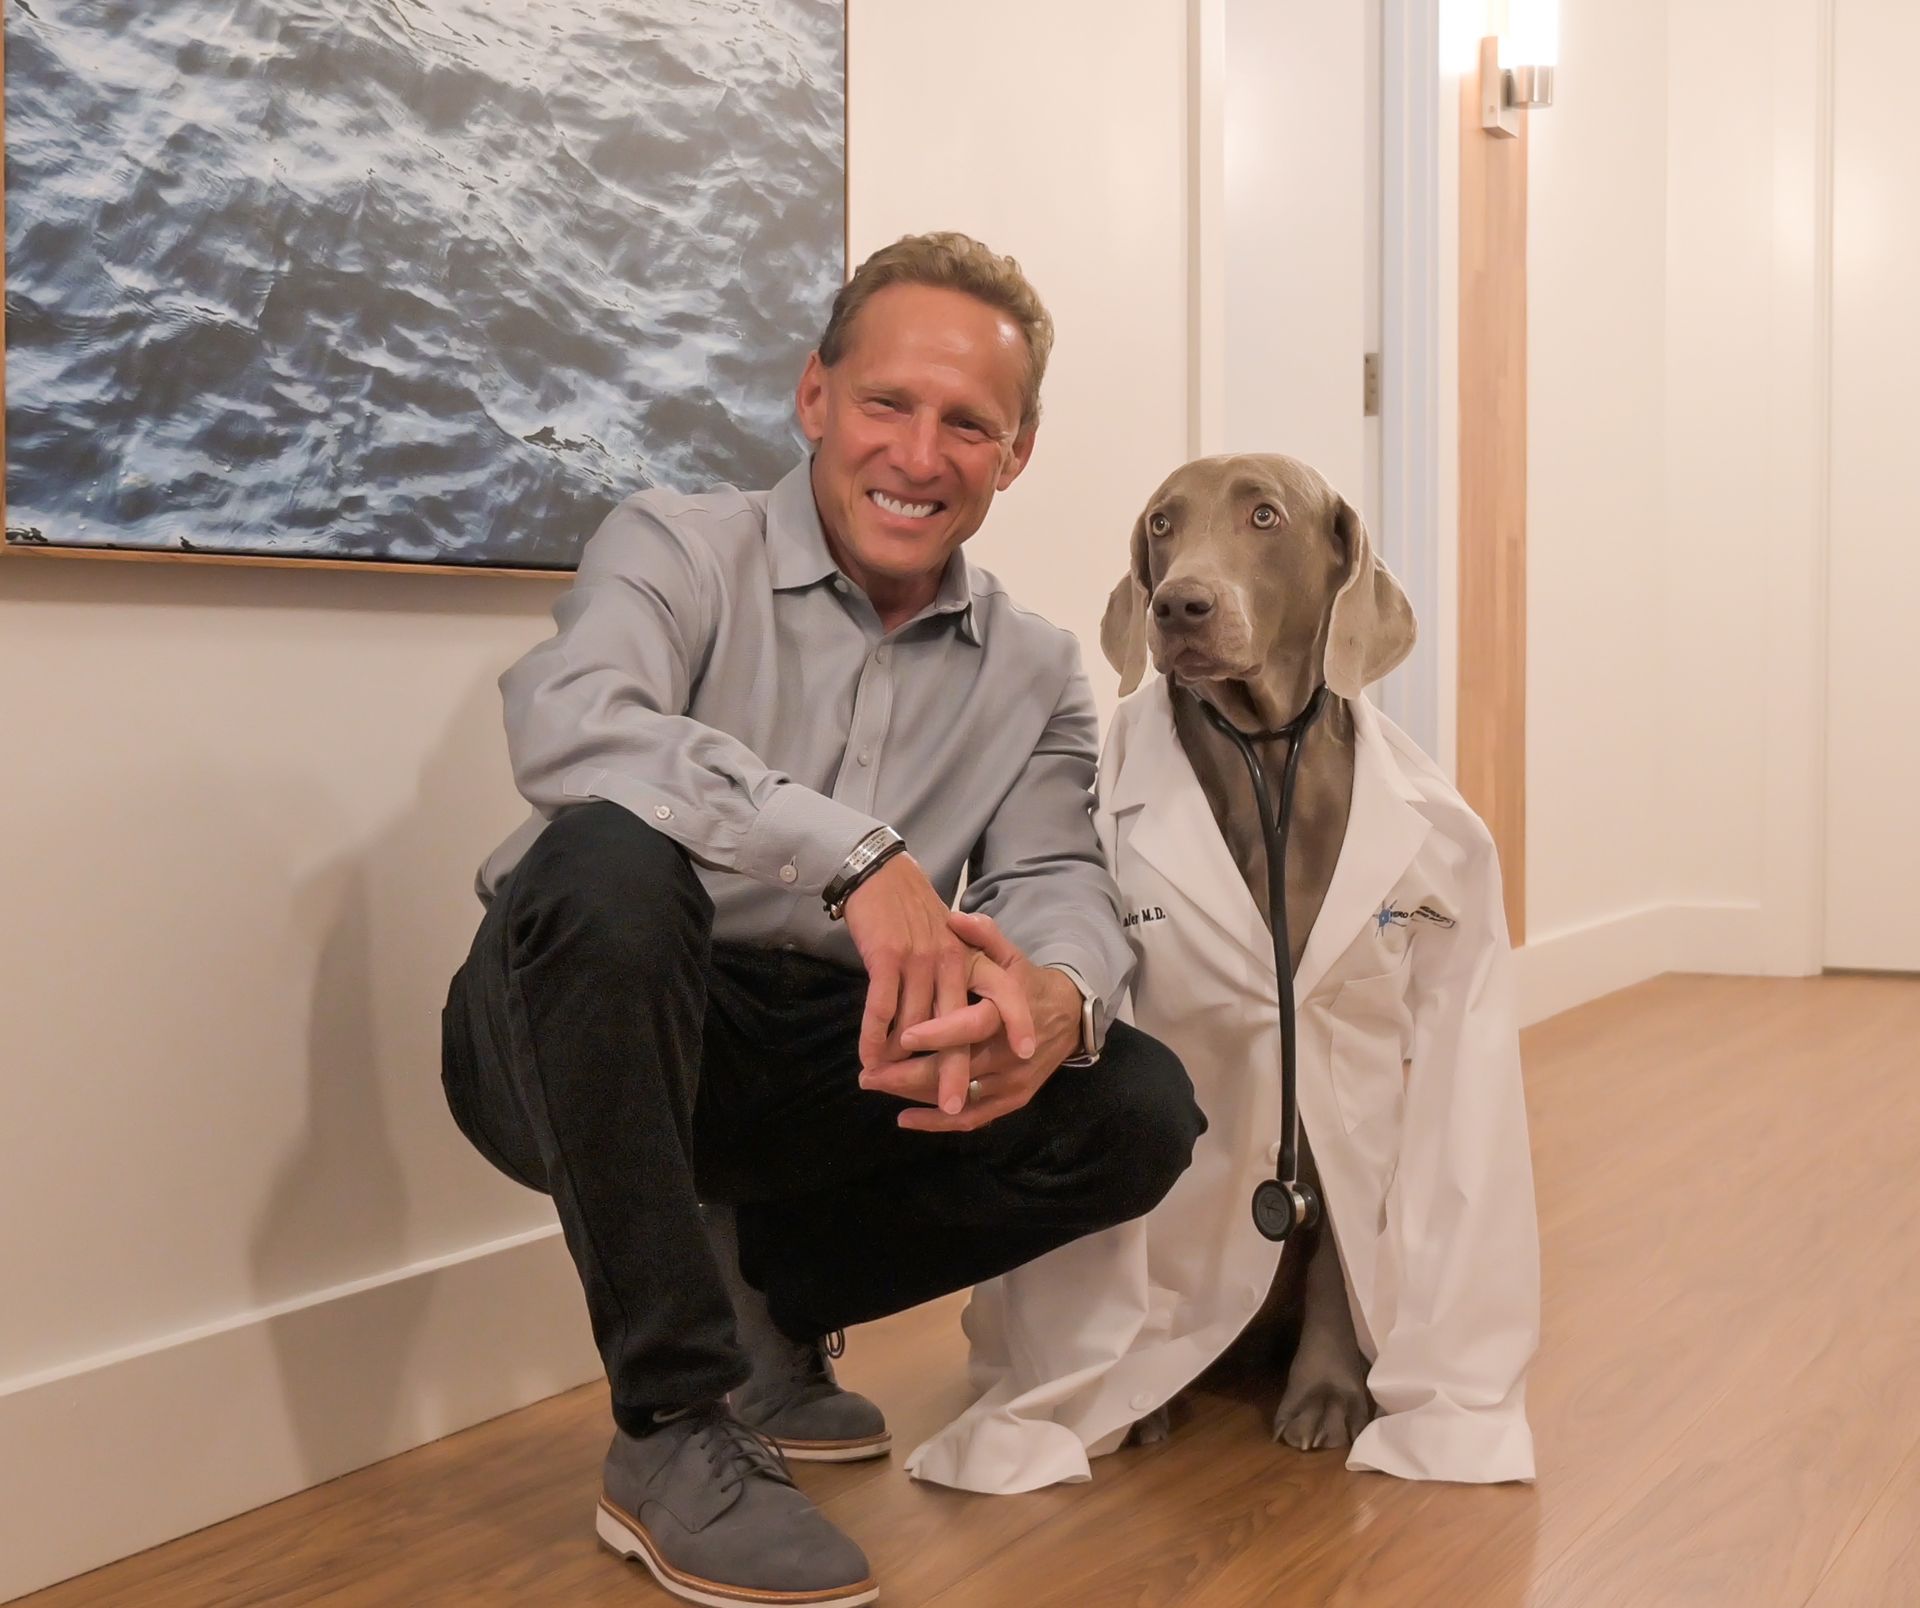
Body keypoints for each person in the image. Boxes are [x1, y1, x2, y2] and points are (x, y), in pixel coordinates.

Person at [439, 232, 1203, 1608]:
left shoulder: (1034, 669)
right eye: (886, 404)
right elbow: (572, 724)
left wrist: (1056, 997)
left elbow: (1059, 885)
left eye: (967, 423)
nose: (919, 453)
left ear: (1014, 454)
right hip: (572, 1018)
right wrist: (855, 856)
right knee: (613, 863)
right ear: (813, 400)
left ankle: (773, 1308)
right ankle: (673, 1429)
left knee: (1135, 1100)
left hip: (812, 1053)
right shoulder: (675, 545)